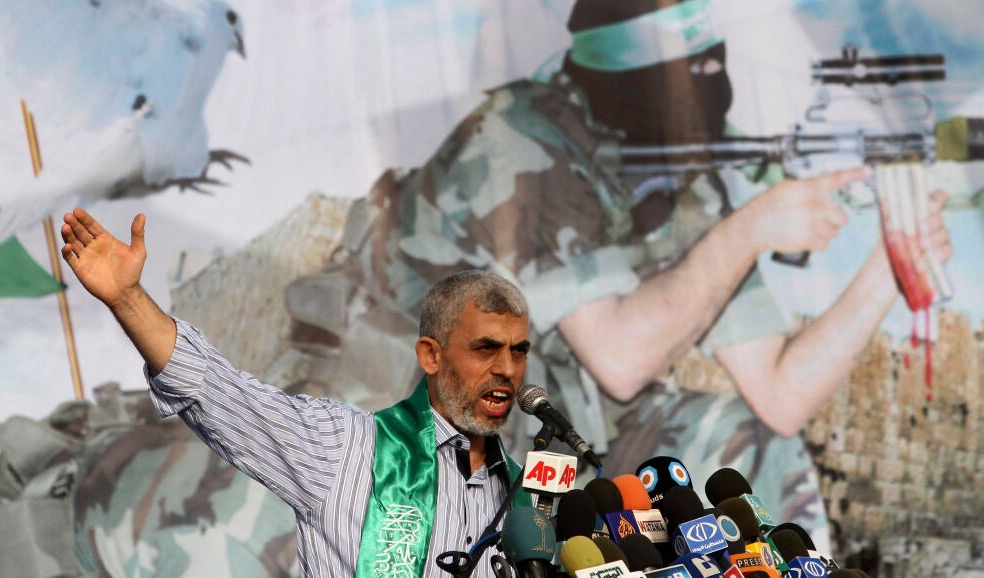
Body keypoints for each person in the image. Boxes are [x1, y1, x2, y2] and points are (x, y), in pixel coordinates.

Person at [281, 0, 953, 548]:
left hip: (552, 439)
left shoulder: (679, 173)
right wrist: (752, 228)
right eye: (688, 69)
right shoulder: (518, 140)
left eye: (712, 63)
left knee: (748, 444)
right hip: (417, 439)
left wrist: (893, 265)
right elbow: (620, 360)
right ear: (632, 75)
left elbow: (781, 394)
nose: (708, 82)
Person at [60, 207, 534, 577]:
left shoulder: (524, 499)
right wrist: (128, 299)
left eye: (518, 352)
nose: (507, 370)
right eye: (486, 349)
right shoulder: (346, 448)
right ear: (431, 356)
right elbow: (218, 393)